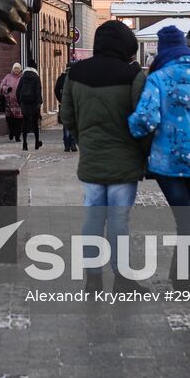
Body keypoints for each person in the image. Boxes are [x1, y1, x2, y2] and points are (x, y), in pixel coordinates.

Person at [129, 24, 190, 290]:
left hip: (167, 162)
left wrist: (132, 128)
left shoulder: (157, 79)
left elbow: (145, 119)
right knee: (188, 217)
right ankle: (187, 277)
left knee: (185, 218)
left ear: (162, 51)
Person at [61, 21, 150, 292]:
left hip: (92, 159)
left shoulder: (75, 73)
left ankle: (93, 279)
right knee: (119, 220)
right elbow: (143, 120)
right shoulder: (133, 75)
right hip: (125, 161)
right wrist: (143, 152)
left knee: (93, 218)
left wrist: (84, 139)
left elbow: (66, 116)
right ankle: (122, 278)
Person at [17, 63, 43, 151]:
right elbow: (38, 90)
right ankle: (36, 143)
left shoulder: (22, 78)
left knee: (25, 123)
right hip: (34, 103)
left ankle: (24, 144)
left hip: (24, 103)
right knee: (35, 123)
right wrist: (39, 102)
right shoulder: (36, 78)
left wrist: (20, 102)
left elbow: (18, 90)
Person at [0, 63, 24, 141]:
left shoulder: (22, 78)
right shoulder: (8, 77)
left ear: (20, 69)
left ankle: (17, 136)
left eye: (18, 68)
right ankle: (11, 132)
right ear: (13, 69)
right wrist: (7, 89)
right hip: (9, 102)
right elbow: (2, 85)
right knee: (10, 120)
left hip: (19, 103)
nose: (16, 70)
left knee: (19, 121)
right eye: (15, 68)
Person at [55, 65, 77, 152]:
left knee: (66, 126)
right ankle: (73, 144)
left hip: (64, 105)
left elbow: (56, 90)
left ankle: (67, 145)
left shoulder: (61, 78)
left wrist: (61, 100)